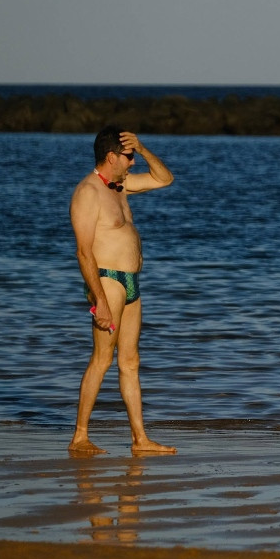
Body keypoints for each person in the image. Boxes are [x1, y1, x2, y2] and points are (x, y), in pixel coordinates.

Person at [68, 127, 176, 456]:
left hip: (131, 283)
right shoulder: (88, 192)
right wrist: (98, 298)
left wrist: (142, 148)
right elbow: (84, 252)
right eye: (128, 157)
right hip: (108, 282)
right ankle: (80, 436)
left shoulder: (120, 186)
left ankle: (140, 439)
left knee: (130, 362)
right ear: (112, 157)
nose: (131, 163)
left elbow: (165, 179)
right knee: (102, 359)